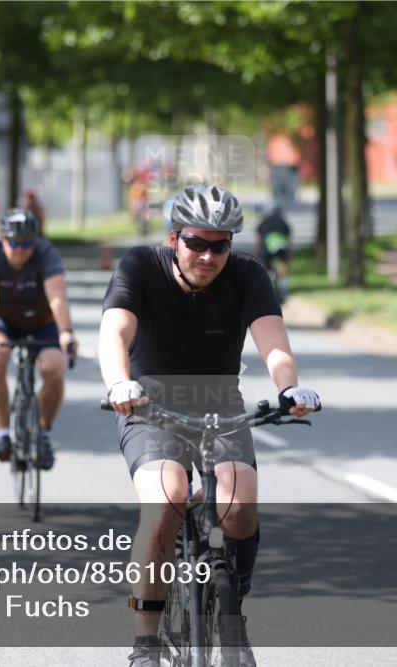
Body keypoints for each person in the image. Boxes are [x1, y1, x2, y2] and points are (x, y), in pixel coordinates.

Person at [99, 184, 321, 667]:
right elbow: (115, 330)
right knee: (167, 501)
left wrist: (288, 390)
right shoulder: (139, 267)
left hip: (220, 402)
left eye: (220, 244)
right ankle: (145, 644)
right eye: (196, 242)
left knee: (240, 502)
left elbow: (274, 344)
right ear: (173, 237)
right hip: (148, 402)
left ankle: (232, 608)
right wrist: (120, 383)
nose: (208, 255)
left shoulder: (247, 275)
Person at [0, 209, 78, 471]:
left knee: (55, 368)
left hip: (42, 323)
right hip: (5, 323)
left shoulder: (46, 254)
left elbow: (57, 296)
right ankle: (2, 434)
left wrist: (65, 332)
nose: (21, 249)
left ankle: (42, 431)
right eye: (14, 243)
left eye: (27, 243)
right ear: (3, 240)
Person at [255, 203, 292, 302]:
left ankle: (268, 288)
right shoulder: (283, 222)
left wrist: (257, 253)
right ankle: (284, 289)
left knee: (265, 268)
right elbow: (288, 239)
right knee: (283, 269)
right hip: (281, 249)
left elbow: (258, 240)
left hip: (266, 249)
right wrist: (288, 254)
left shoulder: (263, 222)